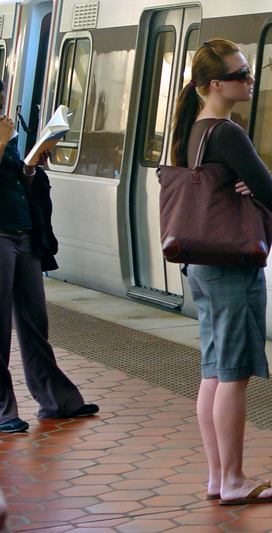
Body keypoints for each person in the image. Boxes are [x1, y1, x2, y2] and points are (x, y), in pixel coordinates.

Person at [170, 38, 272, 505]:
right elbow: (270, 194)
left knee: (213, 371)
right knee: (233, 374)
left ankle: (218, 477)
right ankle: (236, 479)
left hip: (202, 265)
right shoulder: (228, 133)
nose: (249, 81)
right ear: (215, 84)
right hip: (230, 267)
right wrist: (250, 187)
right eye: (241, 75)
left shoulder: (193, 131)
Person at [0, 79, 99, 434]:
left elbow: (13, 181)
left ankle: (57, 400)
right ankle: (3, 410)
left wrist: (29, 165)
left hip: (23, 233)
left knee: (33, 321)